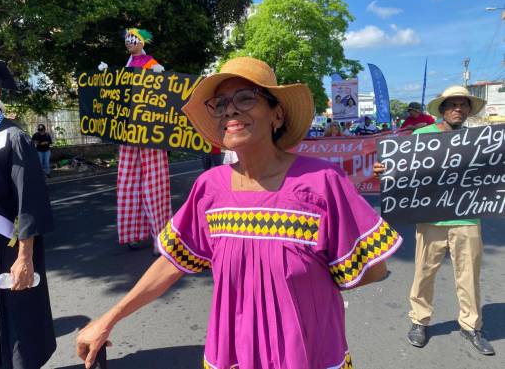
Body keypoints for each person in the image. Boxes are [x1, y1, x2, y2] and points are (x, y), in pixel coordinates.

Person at [77, 57, 403, 369]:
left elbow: (372, 269)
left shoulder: (322, 182)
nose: (230, 109)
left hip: (307, 353)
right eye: (220, 104)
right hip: (234, 354)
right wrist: (109, 318)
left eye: (246, 98)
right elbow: (171, 263)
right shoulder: (210, 187)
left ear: (277, 115)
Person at [374, 85, 494, 355]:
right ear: (442, 109)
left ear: (468, 110)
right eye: (453, 104)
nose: (458, 109)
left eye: (463, 104)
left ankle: (471, 325)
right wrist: (385, 170)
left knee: (469, 275)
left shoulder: (480, 140)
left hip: (467, 217)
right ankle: (419, 320)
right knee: (424, 273)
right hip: (430, 218)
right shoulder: (422, 135)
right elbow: (401, 170)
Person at [0, 58, 56, 368]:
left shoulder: (13, 138)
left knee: (16, 321)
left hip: (7, 250)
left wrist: (25, 257)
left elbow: (30, 202)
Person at [100, 28, 171, 253]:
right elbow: (118, 90)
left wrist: (160, 73)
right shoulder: (128, 66)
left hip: (149, 130)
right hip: (129, 130)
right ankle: (133, 233)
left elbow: (162, 91)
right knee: (127, 181)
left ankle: (159, 237)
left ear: (141, 42)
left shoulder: (151, 63)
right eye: (127, 41)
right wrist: (106, 74)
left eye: (133, 40)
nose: (129, 44)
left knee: (154, 183)